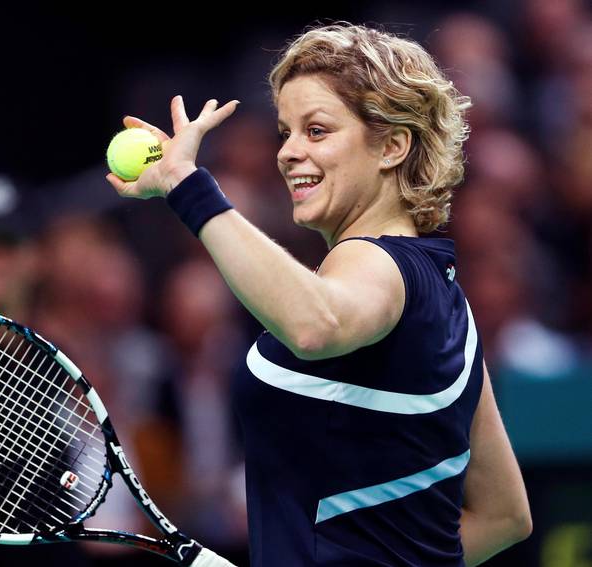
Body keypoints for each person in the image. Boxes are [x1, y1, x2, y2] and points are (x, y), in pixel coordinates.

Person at [105, 23, 532, 567]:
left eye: (317, 130)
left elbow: (314, 324)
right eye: (286, 131)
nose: (287, 152)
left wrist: (189, 186)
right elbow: (504, 516)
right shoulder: (447, 300)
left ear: (392, 146)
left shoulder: (379, 264)